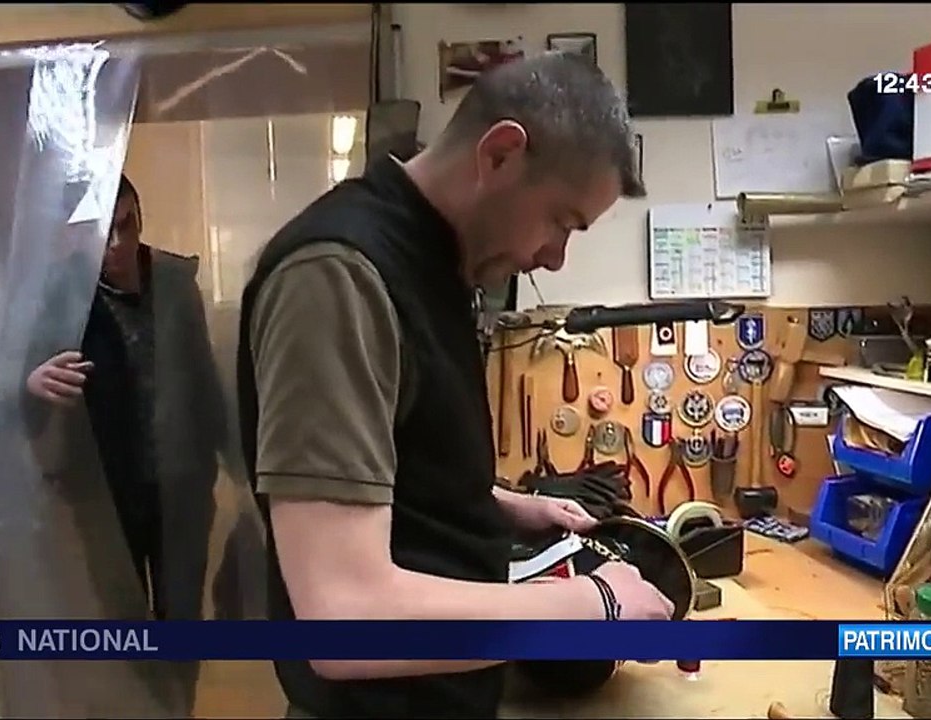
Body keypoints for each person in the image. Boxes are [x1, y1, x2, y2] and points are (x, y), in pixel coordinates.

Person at [238, 52, 675, 719]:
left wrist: (495, 503)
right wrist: (595, 604)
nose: (555, 257)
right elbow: (342, 619)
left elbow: (391, 461)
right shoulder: (340, 276)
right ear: (500, 154)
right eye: (562, 220)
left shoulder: (433, 263)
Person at [24, 175, 240, 715]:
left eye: (127, 226)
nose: (117, 246)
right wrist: (29, 385)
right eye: (104, 233)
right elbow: (6, 383)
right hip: (105, 491)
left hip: (182, 486)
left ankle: (176, 710)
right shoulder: (62, 296)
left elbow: (202, 376)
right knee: (120, 621)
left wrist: (239, 465)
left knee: (181, 619)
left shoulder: (172, 278)